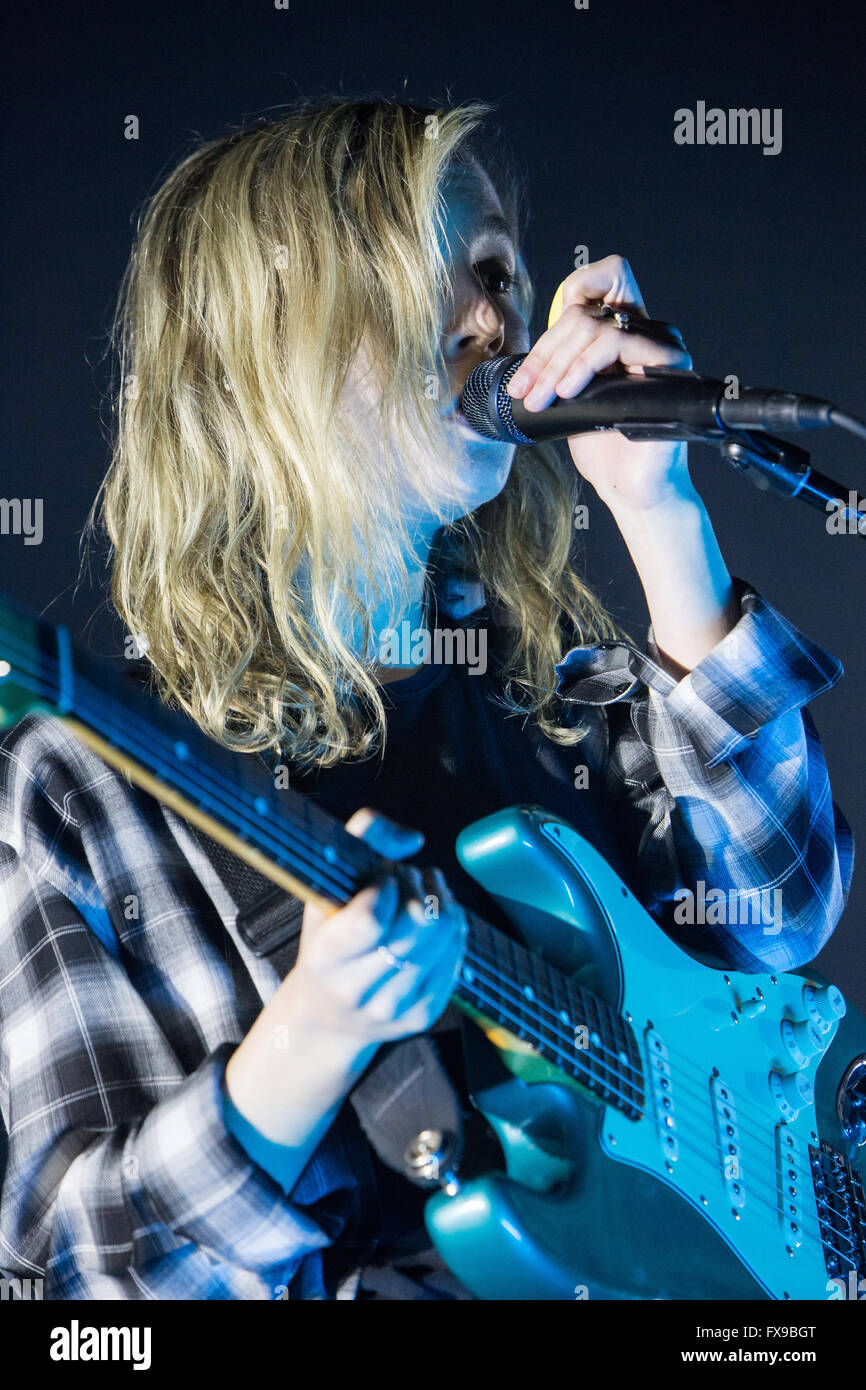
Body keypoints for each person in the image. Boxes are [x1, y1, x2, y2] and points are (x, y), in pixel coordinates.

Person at [0, 97, 853, 1300]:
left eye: (498, 269)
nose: (495, 321)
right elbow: (78, 1305)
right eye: (423, 274)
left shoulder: (556, 703)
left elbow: (782, 907)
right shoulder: (86, 777)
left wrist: (660, 513)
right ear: (262, 352)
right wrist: (307, 1041)